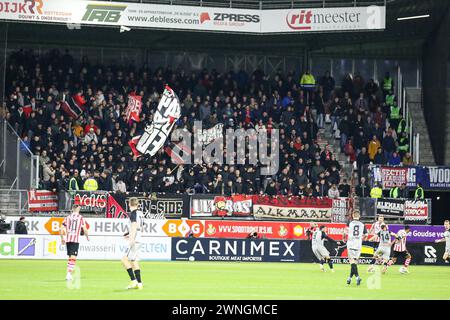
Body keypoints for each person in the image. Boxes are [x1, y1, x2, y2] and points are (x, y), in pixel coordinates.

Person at [60, 204, 89, 281]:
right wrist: (87, 236)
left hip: (68, 239)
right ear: (77, 208)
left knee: (70, 257)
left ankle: (68, 274)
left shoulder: (67, 217)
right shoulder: (80, 218)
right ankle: (68, 274)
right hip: (75, 240)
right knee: (73, 258)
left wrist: (62, 238)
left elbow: (61, 228)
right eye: (79, 208)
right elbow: (85, 229)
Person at [121, 197, 144, 290]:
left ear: (129, 204)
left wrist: (131, 238)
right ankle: (140, 283)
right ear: (137, 204)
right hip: (139, 238)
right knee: (134, 261)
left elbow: (134, 225)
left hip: (134, 239)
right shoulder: (140, 213)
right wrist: (129, 233)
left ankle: (133, 280)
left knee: (124, 260)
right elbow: (140, 226)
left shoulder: (133, 213)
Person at [344, 210, 368, 286]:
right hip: (358, 244)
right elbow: (366, 235)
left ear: (353, 216)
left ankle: (357, 277)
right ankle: (349, 278)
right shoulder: (363, 224)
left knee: (352, 261)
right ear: (359, 216)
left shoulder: (349, 223)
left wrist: (344, 238)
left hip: (350, 243)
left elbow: (345, 232)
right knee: (355, 262)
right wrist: (361, 238)